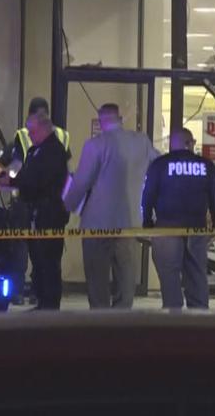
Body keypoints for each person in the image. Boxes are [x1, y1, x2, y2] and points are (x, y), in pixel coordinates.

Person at [63, 103, 159, 309]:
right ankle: (121, 321)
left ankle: (100, 321)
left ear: (100, 121)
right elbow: (159, 165)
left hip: (97, 224)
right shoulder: (141, 142)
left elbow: (81, 183)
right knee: (125, 278)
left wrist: (68, 204)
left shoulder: (95, 145)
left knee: (97, 279)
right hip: (129, 222)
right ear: (120, 118)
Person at [0, 97, 70, 305]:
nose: (29, 135)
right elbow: (26, 173)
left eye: (32, 131)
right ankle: (42, 301)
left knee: (48, 262)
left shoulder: (53, 150)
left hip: (49, 213)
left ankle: (49, 305)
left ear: (43, 129)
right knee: (37, 257)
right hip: (36, 211)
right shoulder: (38, 149)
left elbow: (37, 179)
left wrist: (13, 181)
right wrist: (11, 180)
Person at [142, 128, 215, 310]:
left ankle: (173, 315)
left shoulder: (160, 165)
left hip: (166, 229)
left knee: (169, 274)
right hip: (196, 229)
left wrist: (147, 222)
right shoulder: (206, 165)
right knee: (197, 273)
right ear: (189, 143)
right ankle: (199, 314)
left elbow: (147, 195)